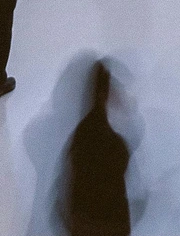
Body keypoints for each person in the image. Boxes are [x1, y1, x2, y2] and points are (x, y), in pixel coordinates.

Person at [63, 60, 132, 236]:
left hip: (81, 224)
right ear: (105, 94)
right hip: (108, 226)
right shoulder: (115, 145)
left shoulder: (80, 135)